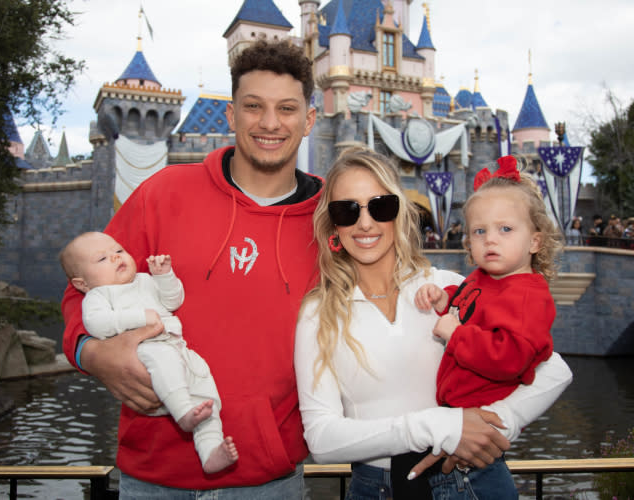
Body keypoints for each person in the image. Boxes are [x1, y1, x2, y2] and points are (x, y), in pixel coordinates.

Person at [61, 39, 321, 498]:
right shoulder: (164, 194)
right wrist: (92, 355)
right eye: (253, 106)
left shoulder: (332, 219)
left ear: (309, 120)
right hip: (155, 476)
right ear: (230, 115)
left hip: (267, 480)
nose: (269, 123)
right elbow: (82, 291)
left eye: (286, 108)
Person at [294, 147, 573, 499]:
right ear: (332, 223)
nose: (365, 223)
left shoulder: (446, 287)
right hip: (376, 488)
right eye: (347, 210)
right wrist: (440, 427)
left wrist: (489, 427)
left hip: (468, 477)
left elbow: (554, 369)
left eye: (380, 206)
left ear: (399, 211)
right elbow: (321, 439)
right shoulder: (319, 313)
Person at [411, 155, 564, 499]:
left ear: (535, 241)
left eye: (505, 229)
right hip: (456, 425)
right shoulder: (483, 279)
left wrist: (455, 334)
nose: (490, 240)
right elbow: (467, 306)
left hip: (475, 460)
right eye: (480, 231)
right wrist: (443, 299)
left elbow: (510, 357)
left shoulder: (527, 293)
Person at [59, 232, 239, 474]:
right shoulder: (98, 296)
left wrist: (164, 277)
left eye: (119, 251)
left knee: (206, 393)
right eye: (102, 259)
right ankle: (183, 412)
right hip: (147, 348)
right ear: (82, 284)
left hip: (178, 347)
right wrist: (140, 318)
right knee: (165, 363)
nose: (115, 258)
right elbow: (97, 324)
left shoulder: (144, 280)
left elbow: (173, 301)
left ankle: (210, 451)